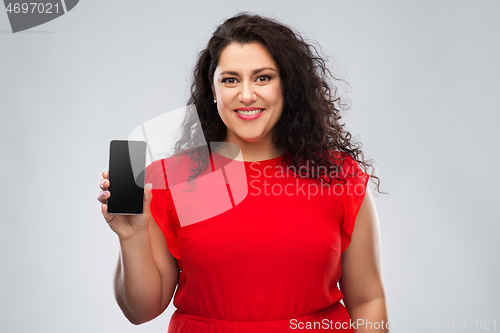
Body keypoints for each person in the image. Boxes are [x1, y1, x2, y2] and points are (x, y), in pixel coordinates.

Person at [97, 13, 389, 332]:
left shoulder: (340, 176)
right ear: (213, 89)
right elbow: (141, 311)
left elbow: (367, 300)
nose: (246, 95)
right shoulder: (167, 180)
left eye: (263, 78)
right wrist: (132, 236)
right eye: (230, 79)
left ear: (287, 86)